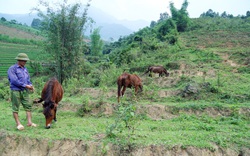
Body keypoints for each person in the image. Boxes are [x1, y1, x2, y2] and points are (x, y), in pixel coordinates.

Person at [7, 53, 37, 130]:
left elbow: (28, 80)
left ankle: (30, 122)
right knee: (15, 107)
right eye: (23, 60)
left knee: (28, 105)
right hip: (16, 90)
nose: (25, 62)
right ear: (19, 60)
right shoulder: (12, 69)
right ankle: (18, 124)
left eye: (25, 61)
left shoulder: (25, 69)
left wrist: (30, 85)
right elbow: (14, 80)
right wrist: (25, 85)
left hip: (25, 91)